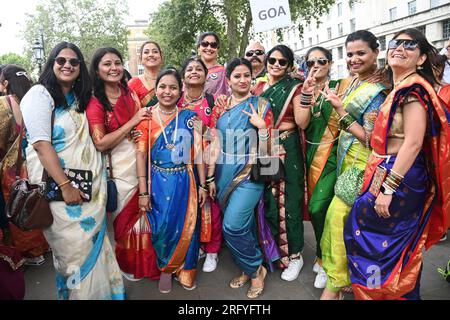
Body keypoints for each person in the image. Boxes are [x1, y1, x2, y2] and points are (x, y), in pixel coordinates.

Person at [344, 28, 449, 300]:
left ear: (422, 58)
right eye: (395, 43)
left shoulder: (413, 89)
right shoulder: (399, 87)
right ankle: (381, 292)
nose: (399, 48)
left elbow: (413, 143)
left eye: (409, 45)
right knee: (374, 236)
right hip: (385, 168)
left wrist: (388, 189)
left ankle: (397, 293)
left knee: (393, 244)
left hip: (400, 177)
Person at [20, 42, 125, 299]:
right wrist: (66, 186)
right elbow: (42, 145)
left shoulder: (78, 98)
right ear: (52, 64)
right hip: (62, 195)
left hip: (90, 192)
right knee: (73, 255)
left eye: (74, 62)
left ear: (80, 68)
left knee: (95, 247)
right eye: (61, 60)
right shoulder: (39, 95)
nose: (67, 65)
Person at [318, 30, 388, 300]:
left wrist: (340, 111)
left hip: (364, 167)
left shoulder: (377, 92)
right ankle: (344, 279)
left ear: (375, 53)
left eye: (361, 53)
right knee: (344, 223)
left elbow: (373, 140)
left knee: (338, 219)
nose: (354, 59)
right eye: (349, 54)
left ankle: (334, 286)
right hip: (346, 163)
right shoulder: (355, 82)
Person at [86, 47, 160, 282]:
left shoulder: (130, 93)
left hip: (141, 159)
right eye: (107, 64)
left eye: (117, 63)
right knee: (124, 219)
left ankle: (146, 262)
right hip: (116, 167)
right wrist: (132, 124)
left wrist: (139, 130)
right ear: (97, 71)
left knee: (145, 214)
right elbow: (100, 143)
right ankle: (127, 263)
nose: (114, 68)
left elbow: (142, 124)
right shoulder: (95, 101)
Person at [135, 69, 207, 293]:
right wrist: (143, 192)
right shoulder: (146, 118)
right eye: (163, 87)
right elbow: (140, 156)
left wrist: (203, 184)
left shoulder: (189, 118)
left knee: (189, 225)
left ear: (180, 91)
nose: (167, 92)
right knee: (164, 226)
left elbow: (199, 155)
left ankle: (186, 271)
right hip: (157, 181)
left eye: (173, 87)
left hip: (186, 181)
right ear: (155, 90)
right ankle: (166, 269)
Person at [207, 58, 273, 299]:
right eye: (237, 76)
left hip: (250, 172)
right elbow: (213, 142)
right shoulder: (220, 107)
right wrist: (210, 177)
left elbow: (271, 151)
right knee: (241, 225)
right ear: (228, 79)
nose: (243, 80)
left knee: (232, 226)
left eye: (247, 75)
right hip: (223, 170)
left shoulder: (263, 105)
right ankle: (247, 267)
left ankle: (256, 270)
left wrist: (262, 127)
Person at [252, 45, 307, 282]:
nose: (275, 64)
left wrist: (306, 94)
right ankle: (274, 250)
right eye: (272, 60)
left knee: (290, 201)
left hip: (287, 146)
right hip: (266, 144)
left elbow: (302, 123)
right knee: (269, 199)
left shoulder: (295, 88)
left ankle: (295, 255)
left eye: (282, 62)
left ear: (289, 65)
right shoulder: (259, 87)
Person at [298, 47, 349, 289]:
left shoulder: (343, 85)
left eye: (321, 60)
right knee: (318, 211)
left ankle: (329, 262)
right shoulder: (304, 90)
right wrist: (307, 93)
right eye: (311, 62)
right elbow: (302, 122)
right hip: (312, 157)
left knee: (322, 209)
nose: (316, 65)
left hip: (338, 157)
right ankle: (323, 255)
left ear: (330, 63)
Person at [0, 65, 49, 265]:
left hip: (12, 168)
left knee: (17, 205)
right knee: (34, 201)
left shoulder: (5, 103)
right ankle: (40, 249)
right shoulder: (34, 101)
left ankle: (25, 254)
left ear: (5, 83)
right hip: (36, 163)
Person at [178, 56, 222, 273]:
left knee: (209, 206)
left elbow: (215, 138)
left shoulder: (213, 103)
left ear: (206, 76)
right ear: (183, 76)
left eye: (199, 69)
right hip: (180, 165)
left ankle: (212, 250)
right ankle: (196, 246)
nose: (194, 72)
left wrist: (211, 175)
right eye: (189, 69)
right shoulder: (174, 100)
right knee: (187, 208)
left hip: (206, 163)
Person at [128, 41, 163, 108]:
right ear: (141, 58)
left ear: (161, 57)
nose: (151, 55)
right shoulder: (133, 83)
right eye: (146, 52)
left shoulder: (169, 80)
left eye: (155, 51)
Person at [197, 32, 229, 96]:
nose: (209, 48)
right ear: (198, 49)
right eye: (204, 44)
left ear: (217, 50)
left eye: (213, 45)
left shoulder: (223, 72)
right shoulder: (191, 71)